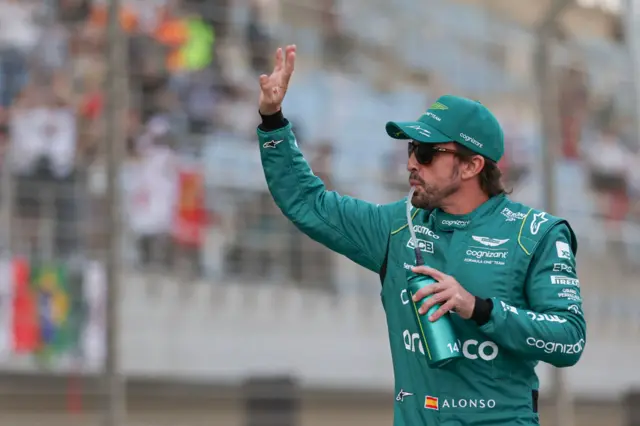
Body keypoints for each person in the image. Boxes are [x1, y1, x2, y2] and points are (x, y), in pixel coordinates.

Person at [256, 45, 587, 426]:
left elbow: (569, 339)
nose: (412, 161)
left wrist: (478, 308)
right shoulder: (398, 226)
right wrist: (272, 121)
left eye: (428, 151)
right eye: (412, 147)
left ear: (471, 165)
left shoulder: (537, 234)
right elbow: (306, 201)